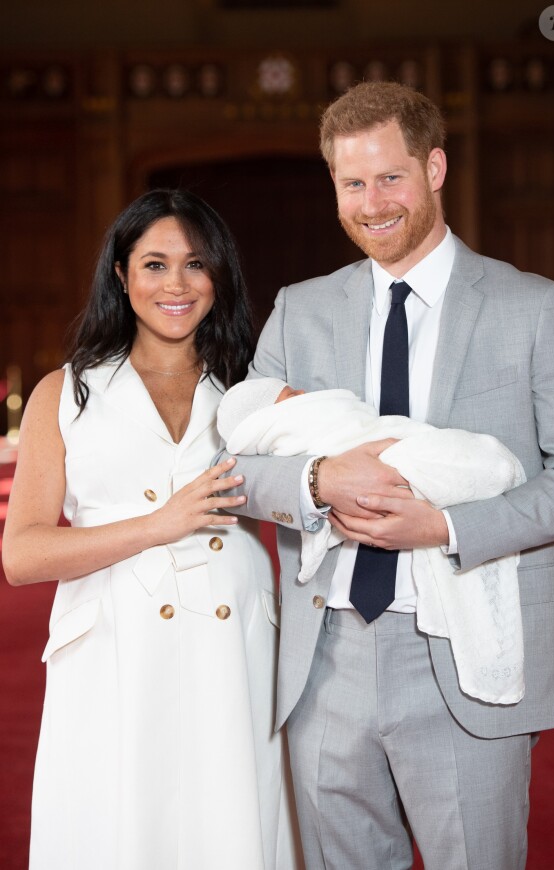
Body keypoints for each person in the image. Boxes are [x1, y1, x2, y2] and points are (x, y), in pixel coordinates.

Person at [219, 82, 554, 870]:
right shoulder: (300, 309)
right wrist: (318, 480)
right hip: (326, 658)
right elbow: (239, 467)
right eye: (353, 183)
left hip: (463, 648)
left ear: (436, 167)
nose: (372, 202)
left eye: (391, 177)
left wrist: (446, 527)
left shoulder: (533, 306)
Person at [2, 189, 302, 870]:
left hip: (234, 645)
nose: (177, 284)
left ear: (218, 275)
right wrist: (158, 524)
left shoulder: (253, 387)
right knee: (117, 825)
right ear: (121, 273)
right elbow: (21, 555)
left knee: (231, 821)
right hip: (112, 641)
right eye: (155, 264)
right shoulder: (67, 391)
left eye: (195, 265)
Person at [218, 376, 527, 706]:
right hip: (327, 641)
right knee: (451, 464)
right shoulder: (287, 332)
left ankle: (488, 465)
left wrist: (445, 527)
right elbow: (227, 472)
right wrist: (320, 480)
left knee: (459, 459)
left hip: (437, 638)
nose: (305, 394)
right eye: (293, 396)